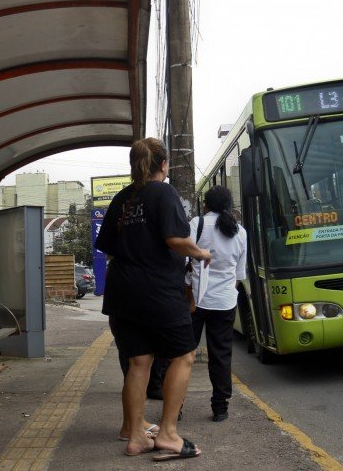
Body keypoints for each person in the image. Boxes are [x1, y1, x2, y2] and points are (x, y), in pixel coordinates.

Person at [95, 138, 211, 461]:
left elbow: (107, 245)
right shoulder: (163, 192)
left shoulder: (122, 199)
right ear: (163, 164)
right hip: (157, 291)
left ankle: (133, 435)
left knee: (139, 362)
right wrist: (201, 253)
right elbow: (175, 239)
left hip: (122, 293)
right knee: (184, 355)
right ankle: (168, 434)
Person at [188, 185, 247, 422]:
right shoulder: (240, 232)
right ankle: (220, 407)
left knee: (184, 354)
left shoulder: (197, 224)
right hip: (224, 302)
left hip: (195, 300)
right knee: (221, 355)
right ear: (229, 206)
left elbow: (184, 258)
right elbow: (239, 275)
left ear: (205, 205)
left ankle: (177, 405)